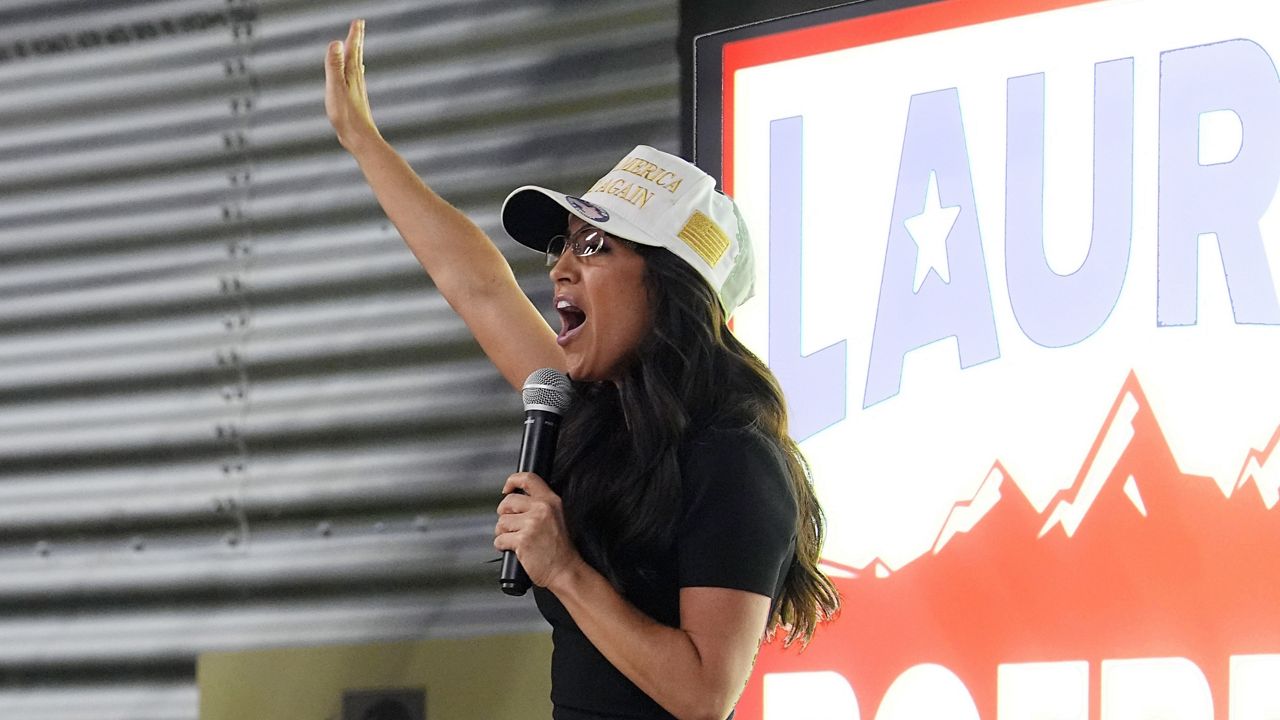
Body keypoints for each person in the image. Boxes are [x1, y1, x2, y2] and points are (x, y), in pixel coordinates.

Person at [324, 19, 839, 720]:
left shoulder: (735, 458)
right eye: (563, 247)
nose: (562, 267)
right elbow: (475, 283)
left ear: (672, 286)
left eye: (596, 247)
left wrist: (564, 568)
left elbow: (703, 692)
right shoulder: (595, 408)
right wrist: (364, 141)